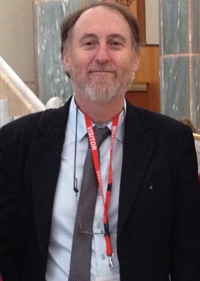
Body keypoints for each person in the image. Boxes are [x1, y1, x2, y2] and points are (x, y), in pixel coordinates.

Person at [0, 2, 200, 281]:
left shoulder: (171, 143)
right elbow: (7, 248)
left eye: (115, 43)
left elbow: (188, 252)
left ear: (135, 58)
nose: (102, 56)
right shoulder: (18, 141)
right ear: (66, 57)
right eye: (89, 43)